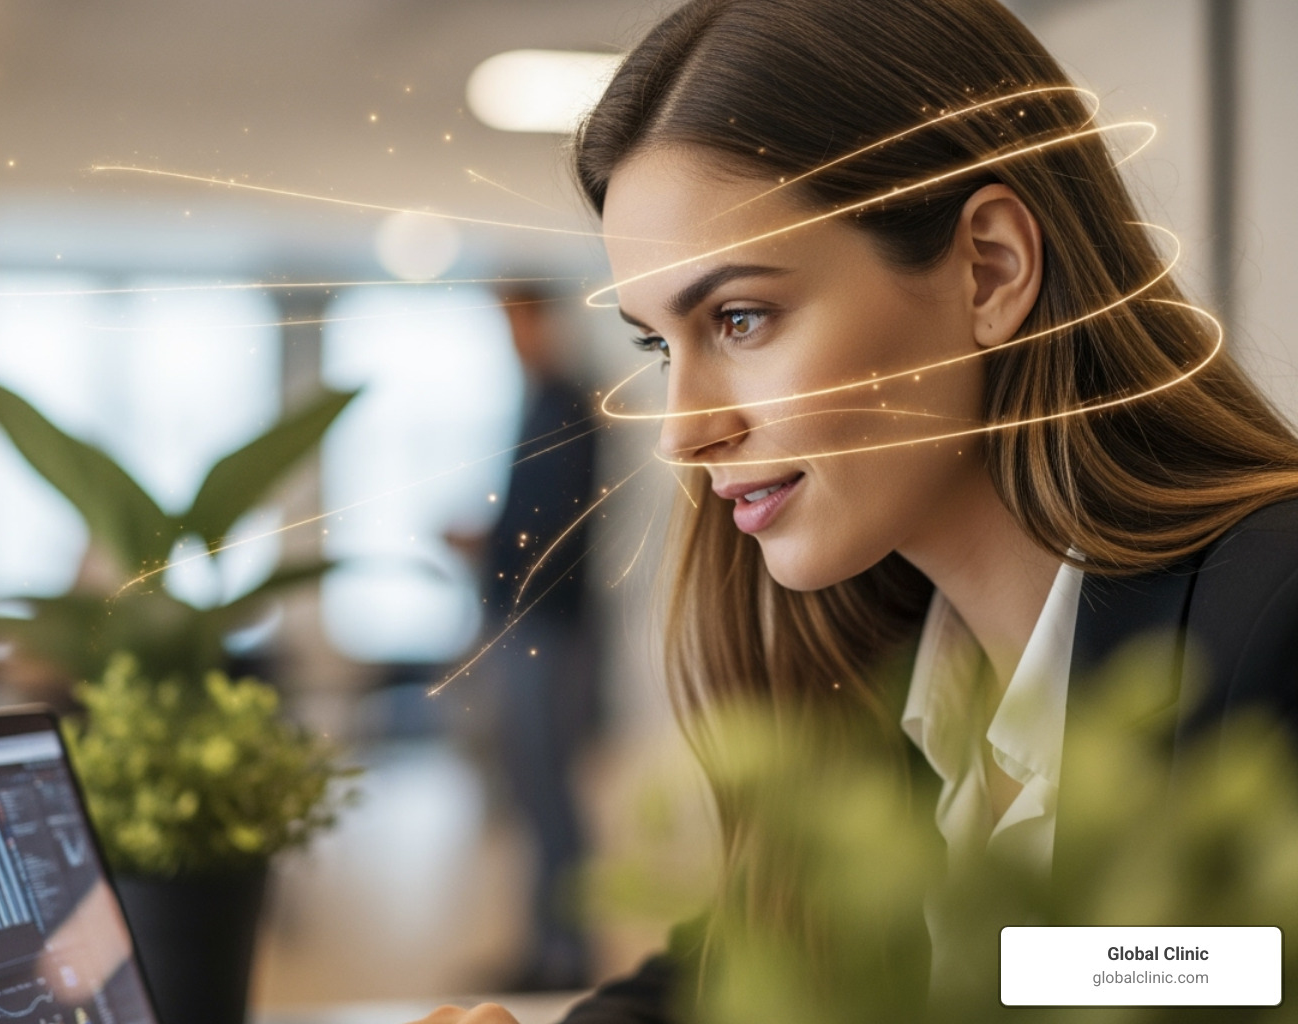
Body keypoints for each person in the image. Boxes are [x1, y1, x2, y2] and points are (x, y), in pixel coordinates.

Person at [409, 1, 1298, 1021]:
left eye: (741, 318)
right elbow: (742, 965)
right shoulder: (871, 671)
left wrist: (1004, 964)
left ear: (991, 270)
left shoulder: (1274, 617)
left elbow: (1249, 966)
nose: (682, 433)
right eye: (658, 346)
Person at [476, 288, 601, 991]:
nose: (510, 336)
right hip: (530, 623)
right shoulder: (541, 403)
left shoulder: (565, 406)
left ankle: (566, 955)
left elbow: (554, 530)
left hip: (547, 626)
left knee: (548, 790)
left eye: (516, 320)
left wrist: (490, 548)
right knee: (533, 788)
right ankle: (548, 945)